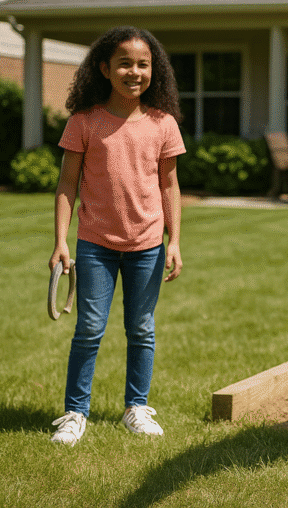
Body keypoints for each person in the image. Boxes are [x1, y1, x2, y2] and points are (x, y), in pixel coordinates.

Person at [48, 26, 186, 446]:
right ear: (105, 69)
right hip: (95, 245)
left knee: (141, 329)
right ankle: (75, 413)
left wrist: (174, 240)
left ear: (154, 71)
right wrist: (60, 240)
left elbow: (169, 186)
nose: (134, 72)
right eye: (125, 63)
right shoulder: (85, 121)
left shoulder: (163, 124)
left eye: (143, 64)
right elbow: (66, 185)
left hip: (147, 246)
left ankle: (136, 408)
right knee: (89, 329)